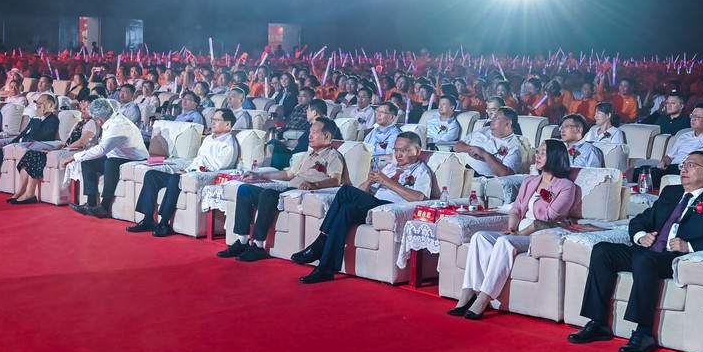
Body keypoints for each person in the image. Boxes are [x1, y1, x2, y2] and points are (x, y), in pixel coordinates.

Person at [568, 151, 703, 352]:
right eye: (683, 165)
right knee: (603, 251)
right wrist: (641, 236)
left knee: (644, 259)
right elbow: (641, 220)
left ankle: (644, 332)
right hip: (648, 251)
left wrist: (689, 246)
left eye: (692, 165)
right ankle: (598, 323)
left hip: (675, 259)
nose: (684, 169)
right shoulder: (671, 193)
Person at [449, 140, 580, 318]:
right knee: (480, 237)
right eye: (538, 152)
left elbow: (551, 217)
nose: (538, 156)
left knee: (504, 242)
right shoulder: (531, 181)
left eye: (543, 152)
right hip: (518, 230)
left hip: (539, 234)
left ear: (556, 156)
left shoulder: (566, 186)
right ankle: (467, 293)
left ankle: (483, 299)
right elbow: (517, 208)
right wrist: (512, 227)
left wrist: (520, 233)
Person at [291, 131, 433, 283]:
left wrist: (386, 182)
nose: (398, 154)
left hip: (391, 209)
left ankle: (320, 241)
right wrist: (370, 181)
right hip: (374, 206)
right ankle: (326, 268)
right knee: (346, 208)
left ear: (417, 151)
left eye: (403, 150)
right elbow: (362, 192)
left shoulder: (421, 171)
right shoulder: (389, 168)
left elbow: (419, 198)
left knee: (345, 190)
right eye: (396, 150)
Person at [218, 116, 343, 262]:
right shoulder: (308, 155)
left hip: (299, 194)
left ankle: (258, 246)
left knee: (268, 194)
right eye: (310, 132)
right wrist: (258, 175)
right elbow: (288, 174)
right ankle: (242, 241)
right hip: (288, 191)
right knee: (245, 189)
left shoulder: (333, 155)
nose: (309, 135)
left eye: (314, 132)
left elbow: (336, 180)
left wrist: (315, 185)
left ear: (327, 136)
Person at [127, 108, 241, 236]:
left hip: (205, 178)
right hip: (190, 173)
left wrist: (189, 172)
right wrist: (186, 169)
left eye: (217, 120)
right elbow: (198, 159)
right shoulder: (209, 139)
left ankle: (164, 223)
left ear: (228, 124)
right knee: (151, 175)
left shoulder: (229, 143)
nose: (213, 123)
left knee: (175, 178)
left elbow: (218, 167)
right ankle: (148, 219)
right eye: (212, 119)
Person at [67, 98, 149, 218]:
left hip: (136, 158)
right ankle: (90, 204)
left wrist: (72, 157)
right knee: (87, 161)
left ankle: (103, 207)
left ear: (98, 120)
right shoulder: (111, 119)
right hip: (119, 155)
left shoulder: (118, 126)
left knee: (111, 162)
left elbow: (101, 150)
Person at [8, 101, 96, 204]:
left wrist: (62, 149)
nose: (83, 109)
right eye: (83, 106)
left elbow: (82, 142)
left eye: (87, 107)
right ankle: (20, 191)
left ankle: (30, 193)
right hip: (67, 148)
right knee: (30, 153)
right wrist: (54, 149)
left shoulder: (93, 123)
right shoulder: (79, 123)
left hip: (77, 150)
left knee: (36, 156)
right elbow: (66, 142)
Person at [454, 107, 522, 178]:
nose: (492, 119)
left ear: (508, 123)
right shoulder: (483, 131)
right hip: (459, 163)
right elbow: (456, 146)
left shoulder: (514, 146)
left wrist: (484, 154)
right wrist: (471, 149)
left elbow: (506, 173)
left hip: (476, 176)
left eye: (496, 118)